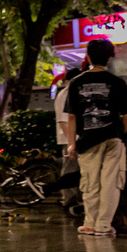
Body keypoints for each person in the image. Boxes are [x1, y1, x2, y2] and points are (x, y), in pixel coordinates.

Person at [65, 39, 127, 236]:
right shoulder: (118, 82)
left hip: (87, 140)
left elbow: (71, 116)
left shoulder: (76, 82)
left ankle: (90, 223)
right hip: (113, 139)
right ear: (110, 58)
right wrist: (120, 132)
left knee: (90, 183)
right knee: (111, 183)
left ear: (87, 57)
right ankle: (104, 226)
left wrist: (71, 144)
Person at [54, 68, 83, 209]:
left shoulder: (70, 94)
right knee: (69, 169)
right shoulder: (64, 96)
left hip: (72, 139)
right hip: (69, 140)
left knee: (74, 169)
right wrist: (72, 142)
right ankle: (68, 199)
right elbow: (63, 121)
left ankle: (73, 198)